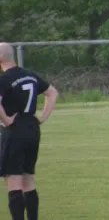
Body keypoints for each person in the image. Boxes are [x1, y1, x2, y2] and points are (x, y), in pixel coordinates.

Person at [0, 42, 59, 220]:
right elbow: (53, 93)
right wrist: (42, 117)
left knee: (13, 181)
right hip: (32, 129)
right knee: (28, 180)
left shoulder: (4, 79)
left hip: (14, 131)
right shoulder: (30, 75)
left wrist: (6, 119)